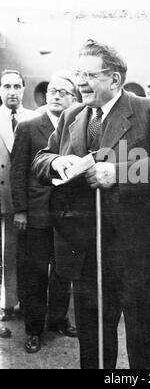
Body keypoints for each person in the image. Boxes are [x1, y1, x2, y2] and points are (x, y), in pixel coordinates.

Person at [33, 40, 150, 369]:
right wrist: (58, 163)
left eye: (87, 74)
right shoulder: (72, 115)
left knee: (147, 340)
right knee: (93, 341)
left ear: (114, 79)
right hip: (85, 253)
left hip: (137, 253)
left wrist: (119, 173)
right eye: (77, 72)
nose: (79, 81)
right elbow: (42, 159)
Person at [10, 72, 78, 354]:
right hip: (36, 215)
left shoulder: (79, 126)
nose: (57, 96)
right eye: (52, 91)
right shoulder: (28, 127)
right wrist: (21, 211)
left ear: (73, 98)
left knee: (63, 273)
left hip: (68, 216)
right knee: (34, 274)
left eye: (63, 92)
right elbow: (18, 173)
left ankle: (58, 320)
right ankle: (34, 329)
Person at [0, 70, 39, 323]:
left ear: (24, 89)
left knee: (19, 254)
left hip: (23, 200)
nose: (12, 91)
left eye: (17, 86)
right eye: (7, 86)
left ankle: (16, 301)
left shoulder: (35, 119)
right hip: (0, 195)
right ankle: (4, 304)